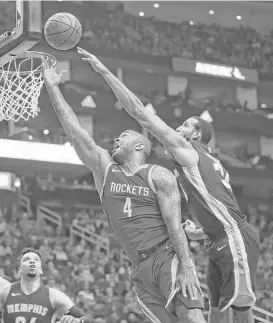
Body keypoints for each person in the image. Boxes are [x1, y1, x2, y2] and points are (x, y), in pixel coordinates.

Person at [79, 49, 260, 323]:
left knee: (240, 309)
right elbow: (219, 203)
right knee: (218, 312)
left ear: (196, 135)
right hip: (218, 237)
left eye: (186, 125)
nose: (179, 127)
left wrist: (105, 72)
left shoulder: (188, 149)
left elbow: (138, 111)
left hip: (233, 237)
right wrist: (200, 233)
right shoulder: (204, 162)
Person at [42, 56, 206, 323]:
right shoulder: (105, 170)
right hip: (138, 269)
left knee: (191, 317)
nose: (117, 139)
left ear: (141, 146)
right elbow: (75, 132)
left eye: (125, 136)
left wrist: (187, 266)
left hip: (166, 257)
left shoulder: (158, 175)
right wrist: (52, 87)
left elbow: (174, 226)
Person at [0, 247, 91, 323]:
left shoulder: (54, 296)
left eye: (36, 260)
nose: (32, 261)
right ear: (19, 270)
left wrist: (77, 321)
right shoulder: (6, 291)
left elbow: (87, 318)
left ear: (41, 270)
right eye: (27, 259)